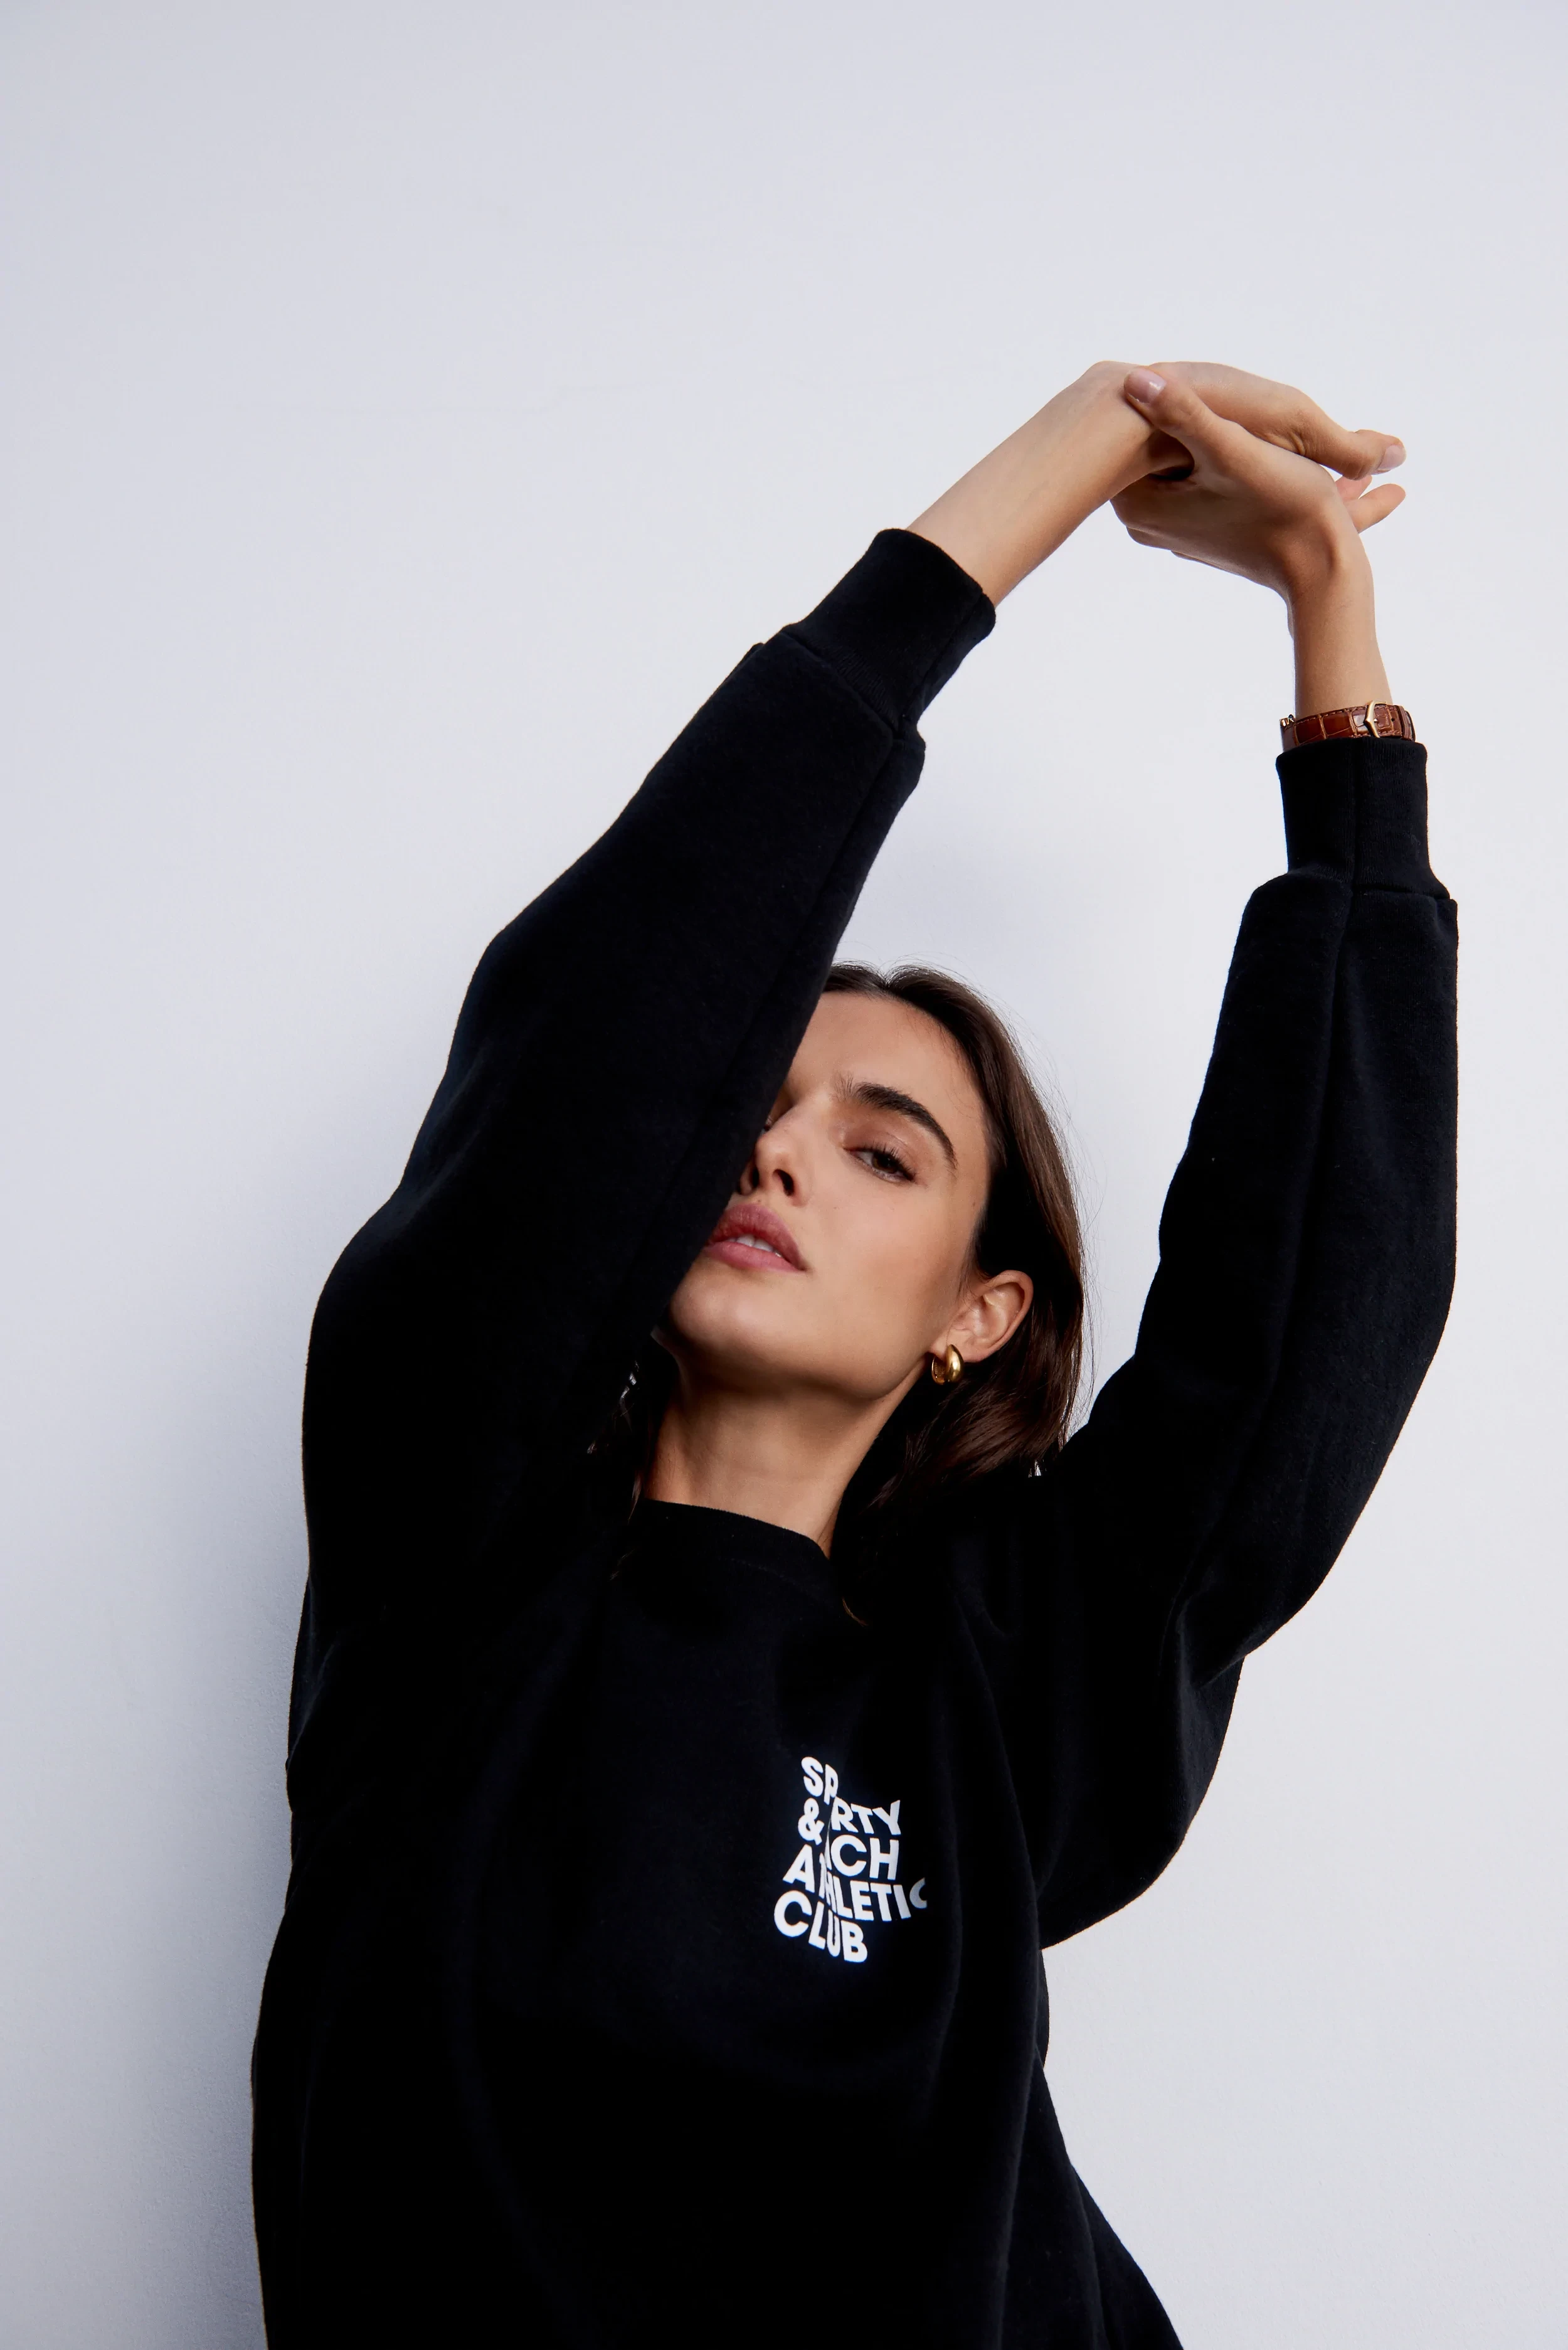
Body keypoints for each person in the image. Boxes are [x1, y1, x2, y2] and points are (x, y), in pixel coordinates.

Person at [252, 361, 1456, 2346]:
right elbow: (618, 1011)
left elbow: (1312, 1307)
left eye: (882, 1151)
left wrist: (1329, 604)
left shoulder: (997, 1687)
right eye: (747, 1111)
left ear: (976, 1315)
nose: (778, 1156)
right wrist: (1072, 448)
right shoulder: (451, 1561)